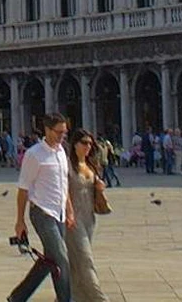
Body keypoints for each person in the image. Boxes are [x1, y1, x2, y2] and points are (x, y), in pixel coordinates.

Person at [9, 113, 73, 302]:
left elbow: (64, 184)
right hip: (42, 212)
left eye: (65, 132)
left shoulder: (62, 151)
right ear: (47, 130)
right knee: (62, 258)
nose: (62, 136)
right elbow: (23, 189)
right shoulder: (34, 154)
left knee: (49, 259)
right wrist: (20, 221)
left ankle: (18, 296)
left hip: (59, 212)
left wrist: (69, 210)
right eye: (59, 132)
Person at [65, 129, 109, 301]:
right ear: (74, 144)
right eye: (84, 143)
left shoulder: (91, 165)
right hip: (73, 219)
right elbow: (64, 192)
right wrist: (69, 213)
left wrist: (100, 187)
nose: (88, 146)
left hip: (89, 218)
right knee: (85, 259)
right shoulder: (67, 165)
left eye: (90, 143)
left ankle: (75, 297)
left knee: (77, 262)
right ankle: (99, 298)